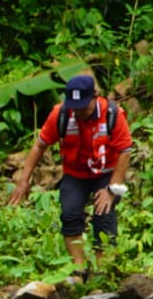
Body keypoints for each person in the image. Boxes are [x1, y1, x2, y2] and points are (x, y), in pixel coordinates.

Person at [7, 72, 132, 279]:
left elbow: (124, 150)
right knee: (70, 214)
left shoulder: (112, 114)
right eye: (76, 107)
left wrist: (112, 189)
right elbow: (40, 145)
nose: (79, 112)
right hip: (75, 173)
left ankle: (103, 270)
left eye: (84, 106)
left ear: (95, 97)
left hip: (105, 172)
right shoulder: (62, 114)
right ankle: (78, 268)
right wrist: (24, 180)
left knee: (104, 215)